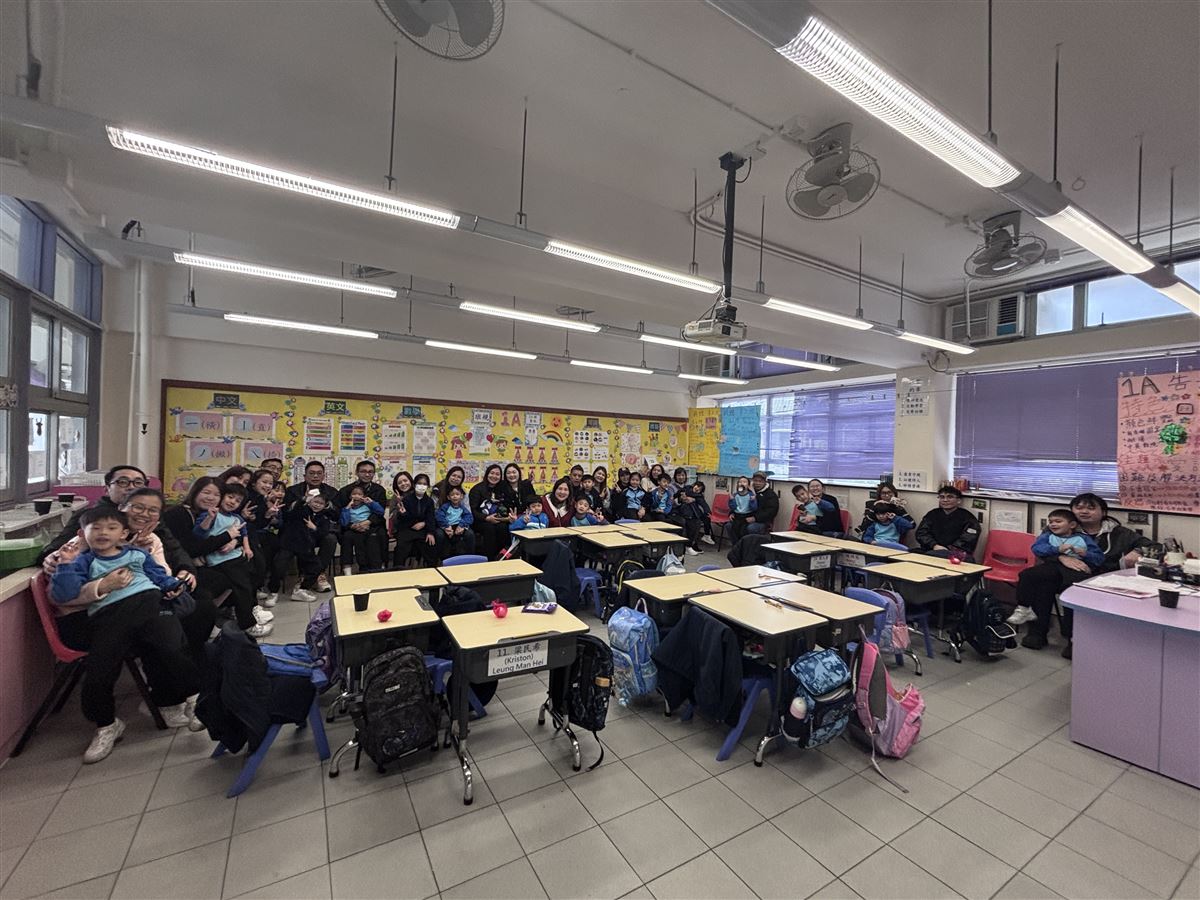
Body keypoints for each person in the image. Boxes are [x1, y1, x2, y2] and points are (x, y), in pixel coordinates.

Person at [51, 506, 200, 763]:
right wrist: (65, 564)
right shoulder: (82, 561)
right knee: (99, 670)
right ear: (82, 534)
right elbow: (64, 594)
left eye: (111, 528)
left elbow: (159, 577)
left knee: (173, 648)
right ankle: (107, 724)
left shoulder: (137, 555)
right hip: (110, 616)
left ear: (123, 534)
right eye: (96, 528)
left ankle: (195, 702)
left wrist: (173, 586)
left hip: (151, 605)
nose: (103, 533)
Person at [1016, 494, 1151, 657]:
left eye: (1090, 508)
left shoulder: (1119, 532)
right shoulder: (1061, 526)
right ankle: (1037, 632)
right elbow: (1041, 549)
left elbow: (1152, 545)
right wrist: (1061, 557)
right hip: (1058, 569)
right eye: (1079, 508)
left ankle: (1073, 639)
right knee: (1040, 581)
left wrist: (1137, 551)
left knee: (1072, 588)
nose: (1084, 511)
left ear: (1103, 512)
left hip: (1097, 574)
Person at [192, 481, 272, 637]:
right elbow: (198, 534)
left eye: (237, 501)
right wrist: (209, 518)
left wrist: (247, 548)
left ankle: (246, 613)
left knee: (250, 581)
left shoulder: (236, 517)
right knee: (243, 589)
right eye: (230, 497)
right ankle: (248, 625)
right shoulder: (212, 514)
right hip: (221, 561)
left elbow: (244, 533)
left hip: (237, 558)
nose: (232, 502)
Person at [39, 465, 152, 563]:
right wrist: (51, 557)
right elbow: (54, 548)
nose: (131, 487)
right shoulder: (89, 516)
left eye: (138, 483)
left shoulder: (153, 515)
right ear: (107, 489)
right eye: (122, 482)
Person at [283, 462, 339, 592]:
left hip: (320, 530)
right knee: (303, 538)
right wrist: (304, 500)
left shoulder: (332, 492)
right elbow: (287, 514)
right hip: (299, 532)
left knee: (331, 539)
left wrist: (325, 506)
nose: (315, 476)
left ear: (324, 476)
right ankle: (304, 576)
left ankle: (318, 574)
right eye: (312, 473)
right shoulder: (293, 491)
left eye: (319, 473)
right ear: (304, 475)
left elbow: (337, 515)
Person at [277, 490, 338, 602]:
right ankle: (273, 591)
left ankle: (302, 589)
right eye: (315, 502)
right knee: (280, 563)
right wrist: (303, 500)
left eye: (321, 503)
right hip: (292, 543)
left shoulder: (324, 517)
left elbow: (323, 533)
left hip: (308, 545)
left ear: (325, 505)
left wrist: (314, 527)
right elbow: (292, 514)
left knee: (317, 566)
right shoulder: (302, 510)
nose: (317, 505)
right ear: (310, 502)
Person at [337, 460, 388, 572]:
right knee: (347, 536)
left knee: (379, 534)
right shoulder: (346, 491)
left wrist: (367, 522)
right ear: (357, 472)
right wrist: (352, 525)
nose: (367, 474)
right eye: (363, 471)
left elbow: (380, 511)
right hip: (351, 525)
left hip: (373, 524)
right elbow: (341, 512)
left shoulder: (379, 490)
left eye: (370, 472)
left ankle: (381, 565)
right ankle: (350, 570)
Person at [242, 469, 280, 603]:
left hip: (252, 535)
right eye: (264, 482)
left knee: (260, 566)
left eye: (270, 483)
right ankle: (251, 604)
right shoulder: (245, 496)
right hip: (239, 538)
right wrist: (242, 515)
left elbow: (259, 524)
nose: (268, 486)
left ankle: (254, 597)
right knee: (254, 567)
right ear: (253, 483)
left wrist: (268, 515)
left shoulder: (261, 499)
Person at [915, 485, 980, 560]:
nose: (945, 500)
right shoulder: (932, 514)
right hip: (931, 549)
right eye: (942, 497)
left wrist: (946, 549)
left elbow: (968, 539)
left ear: (959, 500)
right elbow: (921, 533)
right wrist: (934, 545)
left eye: (950, 497)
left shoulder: (968, 517)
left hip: (955, 554)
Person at [390, 472, 438, 568]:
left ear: (428, 486)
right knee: (401, 547)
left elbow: (431, 517)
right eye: (419, 483)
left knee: (430, 544)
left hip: (423, 529)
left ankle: (432, 569)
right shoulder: (406, 499)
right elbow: (402, 519)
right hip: (407, 528)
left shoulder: (429, 501)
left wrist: (430, 532)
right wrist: (403, 513)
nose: (421, 486)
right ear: (414, 484)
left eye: (424, 484)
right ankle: (397, 569)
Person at [468, 464, 510, 559]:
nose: (494, 476)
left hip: (499, 519)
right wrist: (486, 518)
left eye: (497, 474)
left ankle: (501, 557)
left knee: (503, 527)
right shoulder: (477, 489)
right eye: (492, 473)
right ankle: (489, 558)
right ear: (487, 474)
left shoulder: (502, 489)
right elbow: (473, 510)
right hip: (480, 521)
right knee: (489, 528)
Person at [672, 468, 714, 546]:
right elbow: (674, 499)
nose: (681, 477)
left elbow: (703, 503)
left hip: (692, 510)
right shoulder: (678, 487)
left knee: (703, 519)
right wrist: (680, 499)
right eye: (679, 475)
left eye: (683, 475)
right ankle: (688, 545)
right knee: (691, 521)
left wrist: (707, 511)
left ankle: (698, 541)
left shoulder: (696, 494)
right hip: (679, 511)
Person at [436, 485, 476, 558]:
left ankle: (468, 557)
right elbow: (439, 516)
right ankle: (442, 557)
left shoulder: (463, 508)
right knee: (443, 538)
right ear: (448, 497)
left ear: (462, 496)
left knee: (469, 535)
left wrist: (461, 525)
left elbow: (469, 517)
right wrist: (446, 526)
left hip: (458, 526)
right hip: (447, 526)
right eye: (452, 495)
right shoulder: (445, 507)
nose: (455, 496)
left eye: (457, 494)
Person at [728, 476, 758, 544]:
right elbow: (733, 507)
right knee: (734, 531)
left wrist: (753, 500)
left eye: (744, 482)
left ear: (748, 485)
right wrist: (732, 500)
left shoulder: (751, 495)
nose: (742, 483)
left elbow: (754, 508)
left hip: (746, 516)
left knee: (743, 532)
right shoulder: (735, 495)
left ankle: (742, 546)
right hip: (737, 516)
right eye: (740, 482)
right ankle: (736, 546)